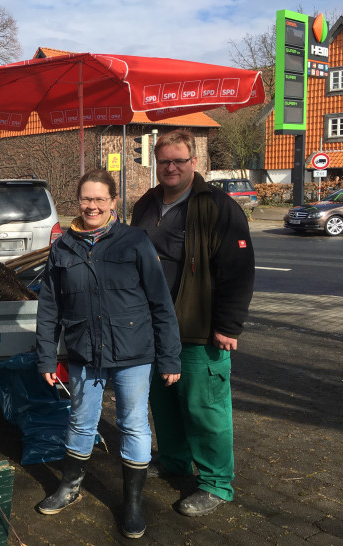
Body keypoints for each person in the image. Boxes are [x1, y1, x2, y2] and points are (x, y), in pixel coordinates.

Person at [35, 169, 181, 539]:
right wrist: (47, 358)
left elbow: (160, 303)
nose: (93, 206)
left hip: (134, 350)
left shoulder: (134, 241)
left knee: (134, 422)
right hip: (85, 349)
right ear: (78, 201)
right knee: (82, 420)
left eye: (100, 199)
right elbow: (49, 308)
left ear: (114, 202)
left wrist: (170, 357)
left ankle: (132, 502)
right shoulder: (63, 247)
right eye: (87, 199)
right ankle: (70, 486)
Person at [131, 129, 255, 517]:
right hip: (153, 329)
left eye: (178, 161)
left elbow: (239, 271)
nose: (171, 167)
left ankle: (217, 482)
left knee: (204, 407)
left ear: (194, 163)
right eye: (164, 161)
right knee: (164, 403)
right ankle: (174, 460)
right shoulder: (145, 205)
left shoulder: (217, 207)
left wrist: (229, 326)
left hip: (200, 329)